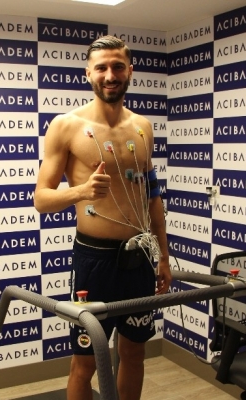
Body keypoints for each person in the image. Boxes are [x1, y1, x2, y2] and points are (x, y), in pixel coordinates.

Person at [34, 35, 172, 400]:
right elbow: (41, 199)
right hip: (94, 260)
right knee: (85, 363)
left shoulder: (143, 126)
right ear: (88, 73)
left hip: (139, 256)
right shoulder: (66, 126)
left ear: (130, 71)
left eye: (117, 67)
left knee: (134, 353)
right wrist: (80, 192)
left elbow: (151, 196)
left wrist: (163, 256)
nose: (110, 75)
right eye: (102, 68)